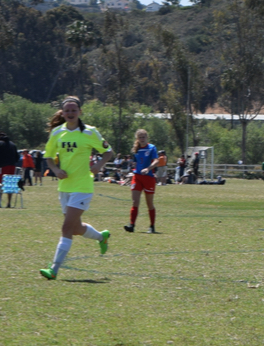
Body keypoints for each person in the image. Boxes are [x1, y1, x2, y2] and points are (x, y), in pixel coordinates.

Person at [37, 97, 110, 279]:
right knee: (76, 228)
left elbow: (108, 151)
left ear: (80, 112)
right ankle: (102, 237)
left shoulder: (89, 132)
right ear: (62, 113)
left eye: (74, 110)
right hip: (65, 187)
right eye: (67, 111)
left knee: (66, 228)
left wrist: (99, 165)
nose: (70, 113)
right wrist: (55, 169)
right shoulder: (56, 133)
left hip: (83, 186)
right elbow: (49, 156)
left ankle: (54, 269)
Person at [124, 128, 167, 234]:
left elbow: (156, 161)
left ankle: (152, 226)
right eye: (140, 137)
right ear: (137, 139)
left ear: (147, 138)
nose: (142, 139)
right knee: (135, 202)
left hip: (148, 178)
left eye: (144, 137)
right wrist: (131, 173)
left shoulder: (152, 148)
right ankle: (132, 225)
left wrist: (148, 168)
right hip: (137, 177)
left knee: (149, 203)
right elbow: (135, 163)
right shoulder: (136, 150)